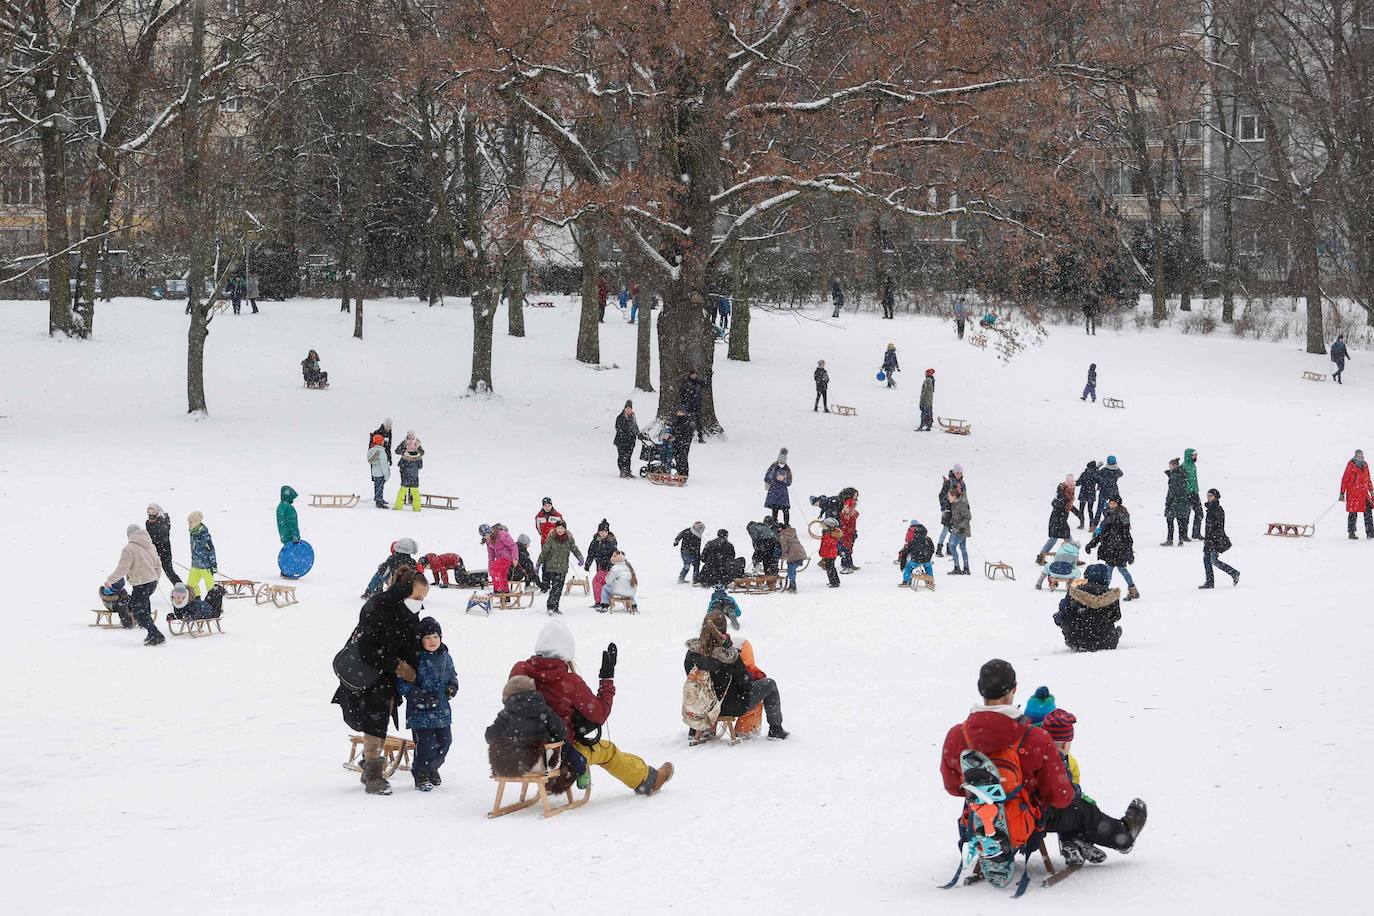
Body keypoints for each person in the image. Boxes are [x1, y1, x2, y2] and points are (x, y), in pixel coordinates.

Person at [939, 660, 1147, 889]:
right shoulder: (1034, 738)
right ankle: (1122, 835)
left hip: (979, 821)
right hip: (1025, 826)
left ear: (981, 690)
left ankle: (1006, 837)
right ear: (1014, 689)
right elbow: (1061, 796)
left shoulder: (958, 736)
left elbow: (952, 787)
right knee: (1079, 807)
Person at [510, 621, 674, 796]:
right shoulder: (568, 682)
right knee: (608, 750)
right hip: (561, 755)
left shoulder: (519, 670)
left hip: (519, 753)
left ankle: (546, 773)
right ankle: (647, 779)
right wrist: (607, 679)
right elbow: (599, 714)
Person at [332, 566, 427, 795]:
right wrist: (398, 665)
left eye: (422, 598)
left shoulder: (408, 612)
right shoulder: (377, 606)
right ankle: (373, 773)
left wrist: (419, 668)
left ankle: (372, 765)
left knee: (380, 719)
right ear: (404, 591)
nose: (419, 602)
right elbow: (367, 648)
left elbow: (412, 643)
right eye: (417, 597)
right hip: (367, 674)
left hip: (387, 678)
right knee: (375, 721)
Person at [683, 617, 787, 740]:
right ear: (724, 630)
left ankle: (697, 729)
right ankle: (776, 730)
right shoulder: (730, 655)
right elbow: (745, 684)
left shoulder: (692, 654)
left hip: (701, 707)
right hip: (731, 707)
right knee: (770, 685)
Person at [396, 617, 458, 791]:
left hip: (442, 710)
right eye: (427, 638)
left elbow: (452, 674)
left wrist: (452, 687)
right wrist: (421, 697)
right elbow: (403, 685)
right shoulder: (413, 658)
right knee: (427, 745)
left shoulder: (445, 655)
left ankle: (432, 768)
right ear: (420, 640)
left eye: (436, 637)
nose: (432, 641)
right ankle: (421, 773)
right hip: (420, 712)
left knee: (445, 742)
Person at [485, 674, 569, 777]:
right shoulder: (544, 710)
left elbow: (490, 736)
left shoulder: (506, 714)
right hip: (539, 764)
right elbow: (561, 732)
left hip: (509, 765)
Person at [105, 523, 165, 645]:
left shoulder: (129, 549)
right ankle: (151, 634)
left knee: (138, 610)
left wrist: (110, 580)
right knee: (144, 606)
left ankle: (155, 634)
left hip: (141, 583)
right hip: (151, 582)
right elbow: (158, 564)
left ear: (129, 535)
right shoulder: (150, 545)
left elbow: (122, 569)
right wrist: (156, 578)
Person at [1053, 563, 1121, 649]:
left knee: (1063, 615)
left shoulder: (1074, 592)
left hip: (1076, 641)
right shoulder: (1111, 595)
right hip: (1106, 642)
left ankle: (1080, 638)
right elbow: (1116, 617)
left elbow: (1062, 613)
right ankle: (1110, 635)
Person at [1086, 495, 1138, 600]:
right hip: (1110, 549)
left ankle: (1130, 590)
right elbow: (1101, 534)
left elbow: (1127, 537)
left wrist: (1129, 553)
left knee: (1120, 570)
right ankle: (1129, 590)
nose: (1111, 504)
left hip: (1119, 550)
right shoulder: (1108, 516)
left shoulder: (1122, 517)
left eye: (1114, 503)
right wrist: (1091, 544)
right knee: (1110, 570)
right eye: (1111, 503)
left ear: (1118, 504)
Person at [536, 519, 583, 615]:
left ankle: (556, 607)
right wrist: (538, 563)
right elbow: (544, 552)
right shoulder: (551, 538)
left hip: (563, 568)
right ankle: (550, 607)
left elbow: (574, 549)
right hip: (552, 566)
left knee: (559, 588)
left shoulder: (569, 539)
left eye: (561, 528)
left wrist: (580, 557)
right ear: (555, 528)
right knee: (555, 587)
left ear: (565, 529)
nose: (559, 530)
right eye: (558, 527)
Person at [1200, 488, 1240, 588]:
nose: (1208, 497)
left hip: (1215, 539)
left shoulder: (1217, 509)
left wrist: (1213, 538)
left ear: (1215, 497)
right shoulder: (1210, 508)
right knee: (1206, 560)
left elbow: (1219, 526)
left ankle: (1234, 573)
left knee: (1213, 560)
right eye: (1207, 495)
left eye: (1210, 495)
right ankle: (1209, 582)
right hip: (1209, 539)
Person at [1340, 449, 1374, 539]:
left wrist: (1371, 491)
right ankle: (1351, 532)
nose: (1360, 458)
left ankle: (1370, 532)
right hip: (1353, 494)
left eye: (1361, 456)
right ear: (1355, 456)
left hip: (1363, 494)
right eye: (1358, 456)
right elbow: (1344, 480)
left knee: (1368, 512)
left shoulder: (1365, 465)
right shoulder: (1351, 465)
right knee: (1353, 513)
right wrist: (1342, 493)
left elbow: (1368, 479)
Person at [145, 503, 181, 585]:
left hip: (165, 552)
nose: (151, 517)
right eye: (149, 515)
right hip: (153, 553)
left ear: (157, 514)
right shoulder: (148, 523)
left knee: (170, 573)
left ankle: (182, 590)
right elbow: (149, 537)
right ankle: (144, 595)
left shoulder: (163, 522)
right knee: (148, 575)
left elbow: (162, 536)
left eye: (153, 515)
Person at [584, 519, 618, 600]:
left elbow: (614, 554)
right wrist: (587, 564)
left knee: (598, 582)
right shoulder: (595, 541)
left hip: (608, 567)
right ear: (598, 532)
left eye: (605, 532)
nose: (604, 534)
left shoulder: (611, 541)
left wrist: (609, 563)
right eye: (602, 532)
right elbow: (591, 553)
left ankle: (602, 601)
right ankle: (603, 601)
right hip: (599, 566)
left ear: (608, 532)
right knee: (602, 583)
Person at [935, 466, 966, 556]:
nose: (959, 475)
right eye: (957, 473)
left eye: (960, 473)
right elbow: (941, 495)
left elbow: (964, 497)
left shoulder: (962, 484)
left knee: (954, 530)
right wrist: (946, 507)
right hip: (948, 510)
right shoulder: (948, 483)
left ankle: (949, 548)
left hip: (957, 511)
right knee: (945, 529)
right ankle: (939, 548)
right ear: (954, 472)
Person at [1037, 487, 1072, 564]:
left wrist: (1080, 515)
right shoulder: (1062, 498)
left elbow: (1071, 508)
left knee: (1068, 539)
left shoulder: (1066, 499)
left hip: (1061, 522)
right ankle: (1041, 556)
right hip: (1057, 522)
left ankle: (1071, 557)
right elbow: (1058, 505)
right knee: (1054, 539)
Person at [186, 511, 217, 598]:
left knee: (210, 587)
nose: (189, 524)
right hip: (195, 565)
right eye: (189, 522)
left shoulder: (204, 534)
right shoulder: (192, 533)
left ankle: (216, 605)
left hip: (206, 566)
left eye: (191, 522)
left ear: (197, 522)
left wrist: (213, 564)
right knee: (191, 585)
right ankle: (196, 601)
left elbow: (211, 550)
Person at [482, 523, 518, 593]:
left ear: (490, 531)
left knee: (496, 567)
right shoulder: (488, 541)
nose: (486, 537)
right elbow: (491, 556)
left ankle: (499, 589)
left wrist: (515, 558)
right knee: (501, 574)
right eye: (484, 536)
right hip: (500, 559)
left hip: (507, 557)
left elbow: (513, 546)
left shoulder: (501, 534)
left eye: (487, 534)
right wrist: (490, 569)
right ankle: (505, 593)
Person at [1162, 458, 1191, 545]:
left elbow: (1173, 490)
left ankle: (1170, 539)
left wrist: (1169, 500)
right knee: (1180, 521)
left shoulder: (1175, 476)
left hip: (1174, 502)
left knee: (1170, 521)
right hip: (1182, 501)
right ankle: (1180, 539)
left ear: (1174, 466)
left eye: (1170, 466)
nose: (1169, 468)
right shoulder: (1182, 474)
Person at [899, 520, 935, 586]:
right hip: (926, 559)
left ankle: (906, 581)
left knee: (908, 567)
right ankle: (930, 581)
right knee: (928, 567)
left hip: (915, 560)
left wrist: (903, 564)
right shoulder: (928, 539)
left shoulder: (913, 541)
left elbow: (906, 552)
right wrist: (928, 556)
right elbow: (932, 549)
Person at [392, 434, 423, 511]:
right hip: (414, 477)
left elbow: (400, 465)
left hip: (405, 476)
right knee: (415, 492)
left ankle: (398, 506)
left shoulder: (405, 456)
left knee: (402, 492)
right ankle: (417, 508)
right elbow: (420, 466)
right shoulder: (419, 457)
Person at [946, 488, 972, 575]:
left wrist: (961, 527)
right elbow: (956, 518)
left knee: (952, 545)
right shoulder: (954, 504)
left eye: (949, 496)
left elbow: (968, 517)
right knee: (962, 547)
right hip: (956, 529)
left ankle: (958, 567)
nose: (948, 498)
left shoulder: (961, 504)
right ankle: (966, 568)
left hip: (961, 530)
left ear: (954, 496)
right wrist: (950, 524)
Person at [764, 449, 793, 525]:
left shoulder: (787, 468)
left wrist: (784, 480)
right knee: (775, 508)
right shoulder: (773, 467)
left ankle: (786, 524)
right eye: (780, 462)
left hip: (783, 491)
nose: (781, 464)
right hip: (774, 490)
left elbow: (789, 481)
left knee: (785, 509)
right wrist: (774, 479)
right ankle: (775, 523)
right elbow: (766, 478)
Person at [1094, 456, 1123, 528]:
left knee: (1100, 508)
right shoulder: (1117, 471)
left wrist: (1097, 467)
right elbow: (1121, 473)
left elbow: (1096, 474)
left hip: (1104, 490)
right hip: (1114, 490)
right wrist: (1116, 467)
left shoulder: (1104, 470)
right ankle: (1115, 523)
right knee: (1115, 508)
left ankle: (1094, 525)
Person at [778, 522, 807, 593]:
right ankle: (791, 585)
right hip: (800, 553)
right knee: (791, 570)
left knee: (791, 570)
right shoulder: (792, 533)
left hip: (794, 555)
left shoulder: (783, 535)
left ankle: (793, 586)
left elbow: (784, 547)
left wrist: (781, 555)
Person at [679, 369, 706, 443]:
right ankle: (687, 437)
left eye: (695, 374)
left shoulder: (699, 383)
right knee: (688, 422)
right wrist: (684, 404)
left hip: (697, 406)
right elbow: (682, 394)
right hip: (688, 405)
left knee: (699, 422)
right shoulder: (686, 383)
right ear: (689, 375)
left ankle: (700, 437)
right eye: (692, 374)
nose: (694, 376)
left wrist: (708, 376)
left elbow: (705, 384)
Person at [614, 400, 638, 479]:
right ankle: (622, 470)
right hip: (621, 441)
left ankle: (627, 470)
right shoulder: (620, 417)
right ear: (624, 409)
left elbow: (635, 427)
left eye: (630, 408)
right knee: (622, 456)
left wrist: (638, 433)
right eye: (627, 408)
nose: (628, 410)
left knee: (628, 456)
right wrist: (626, 434)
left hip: (631, 441)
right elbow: (618, 428)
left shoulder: (633, 417)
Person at [1181, 448, 1202, 540]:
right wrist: (1188, 489)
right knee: (1186, 515)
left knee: (1199, 513)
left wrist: (1196, 489)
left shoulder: (1193, 466)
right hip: (1187, 494)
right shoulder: (1184, 466)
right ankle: (1184, 535)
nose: (1195, 457)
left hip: (1194, 493)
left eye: (1196, 455)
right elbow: (1183, 481)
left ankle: (1196, 533)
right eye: (1194, 455)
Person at [669, 408, 695, 477]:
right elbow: (674, 430)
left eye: (681, 412)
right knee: (677, 457)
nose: (680, 413)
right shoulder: (676, 420)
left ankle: (684, 473)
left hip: (684, 442)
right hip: (676, 442)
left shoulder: (687, 421)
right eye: (678, 412)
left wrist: (685, 440)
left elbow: (688, 432)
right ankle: (680, 472)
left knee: (683, 458)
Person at [838, 492, 860, 572]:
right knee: (846, 549)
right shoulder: (848, 508)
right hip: (847, 532)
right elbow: (847, 520)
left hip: (850, 532)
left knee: (848, 548)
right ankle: (846, 565)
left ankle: (848, 564)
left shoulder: (850, 510)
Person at [367, 434, 390, 508]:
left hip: (374, 472)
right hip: (381, 473)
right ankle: (379, 501)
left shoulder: (371, 450)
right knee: (380, 487)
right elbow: (384, 465)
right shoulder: (381, 452)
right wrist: (387, 475)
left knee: (377, 486)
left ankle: (378, 499)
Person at [1075, 461, 1099, 530]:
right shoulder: (1095, 474)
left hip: (1083, 493)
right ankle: (1091, 525)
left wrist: (1072, 482)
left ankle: (1082, 524)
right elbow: (1100, 482)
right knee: (1090, 510)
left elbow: (1078, 483)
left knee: (1081, 510)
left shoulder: (1084, 473)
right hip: (1091, 493)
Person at [818, 518, 841, 587]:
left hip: (830, 555)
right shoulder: (829, 534)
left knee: (830, 568)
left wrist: (825, 537)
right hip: (829, 554)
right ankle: (836, 580)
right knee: (832, 568)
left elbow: (830, 543)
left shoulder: (830, 535)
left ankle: (833, 582)